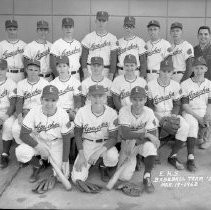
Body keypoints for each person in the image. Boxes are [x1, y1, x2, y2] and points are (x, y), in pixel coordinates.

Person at [15, 85, 73, 193]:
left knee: (62, 177)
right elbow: (23, 134)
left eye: (53, 100)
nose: (49, 104)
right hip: (39, 141)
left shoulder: (63, 114)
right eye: (46, 100)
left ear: (57, 100)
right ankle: (39, 163)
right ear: (41, 99)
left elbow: (66, 139)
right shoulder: (34, 111)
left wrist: (65, 159)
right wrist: (38, 147)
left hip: (57, 143)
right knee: (20, 152)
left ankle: (49, 162)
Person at [71, 85, 119, 192]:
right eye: (94, 96)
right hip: (88, 143)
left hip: (105, 144)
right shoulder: (82, 112)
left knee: (112, 157)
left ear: (105, 97)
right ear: (89, 97)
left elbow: (113, 138)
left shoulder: (111, 113)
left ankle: (103, 165)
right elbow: (78, 135)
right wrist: (82, 155)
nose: (97, 99)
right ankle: (92, 163)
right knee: (76, 178)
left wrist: (98, 153)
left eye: (100, 96)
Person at [147, 55, 190, 170]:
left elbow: (177, 104)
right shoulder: (150, 85)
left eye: (169, 71)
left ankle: (173, 155)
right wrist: (160, 119)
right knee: (151, 125)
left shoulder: (176, 85)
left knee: (185, 126)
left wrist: (173, 116)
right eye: (163, 71)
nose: (166, 74)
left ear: (172, 73)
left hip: (171, 113)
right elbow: (149, 107)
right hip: (155, 113)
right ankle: (153, 152)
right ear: (159, 71)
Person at [117, 86, 159, 194]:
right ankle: (137, 161)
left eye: (141, 100)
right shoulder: (124, 110)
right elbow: (125, 134)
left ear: (145, 100)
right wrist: (146, 134)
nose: (138, 103)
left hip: (140, 144)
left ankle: (147, 176)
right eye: (135, 99)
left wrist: (139, 140)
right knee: (124, 177)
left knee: (151, 147)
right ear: (130, 99)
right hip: (126, 145)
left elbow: (153, 135)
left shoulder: (149, 112)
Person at [181, 57, 211, 165]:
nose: (199, 71)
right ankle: (191, 155)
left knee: (209, 117)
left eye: (201, 68)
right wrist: (199, 118)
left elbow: (210, 103)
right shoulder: (185, 84)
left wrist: (207, 115)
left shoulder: (209, 83)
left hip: (204, 110)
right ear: (193, 69)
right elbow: (185, 105)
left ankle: (206, 138)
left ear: (206, 69)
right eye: (196, 68)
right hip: (190, 111)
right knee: (193, 124)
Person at [12, 59, 49, 146]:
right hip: (25, 112)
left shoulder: (45, 83)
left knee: (38, 133)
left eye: (36, 70)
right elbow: (19, 101)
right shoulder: (21, 84)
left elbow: (47, 103)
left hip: (39, 113)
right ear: (26, 70)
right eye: (30, 69)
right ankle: (25, 147)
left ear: (39, 71)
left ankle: (36, 151)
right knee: (15, 129)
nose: (33, 72)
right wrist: (19, 115)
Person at [81, 11, 117, 81]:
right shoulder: (88, 37)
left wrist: (111, 73)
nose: (101, 23)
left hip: (106, 70)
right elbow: (84, 56)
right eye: (99, 20)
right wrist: (85, 71)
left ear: (107, 22)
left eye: (104, 21)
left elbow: (113, 59)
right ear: (95, 21)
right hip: (90, 69)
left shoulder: (112, 38)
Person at [0, 59, 17, 169]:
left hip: (7, 112)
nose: (0, 71)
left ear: (6, 69)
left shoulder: (11, 83)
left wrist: (5, 117)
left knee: (8, 126)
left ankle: (5, 154)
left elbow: (13, 104)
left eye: (2, 69)